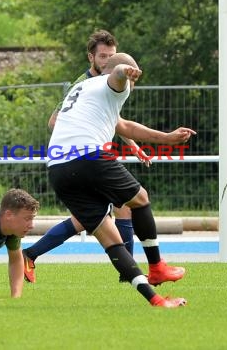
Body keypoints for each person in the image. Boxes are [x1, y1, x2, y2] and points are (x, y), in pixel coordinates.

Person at [46, 52, 196, 308]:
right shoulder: (116, 84)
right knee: (140, 199)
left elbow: (124, 126)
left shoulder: (83, 88)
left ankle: (157, 300)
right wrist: (125, 71)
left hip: (58, 168)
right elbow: (116, 75)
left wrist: (168, 138)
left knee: (111, 239)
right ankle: (157, 267)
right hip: (88, 155)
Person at [22, 30, 149, 283]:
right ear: (91, 56)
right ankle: (129, 272)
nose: (108, 61)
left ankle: (31, 253)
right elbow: (53, 120)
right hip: (82, 157)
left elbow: (115, 119)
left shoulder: (113, 79)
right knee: (125, 206)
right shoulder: (84, 84)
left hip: (96, 156)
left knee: (87, 219)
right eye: (103, 56)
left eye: (112, 56)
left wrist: (133, 145)